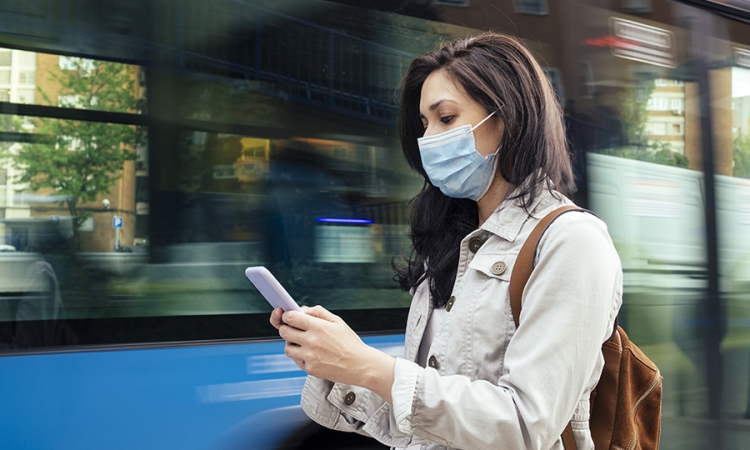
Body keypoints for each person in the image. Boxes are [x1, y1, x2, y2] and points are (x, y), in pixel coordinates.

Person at [270, 33, 622, 450]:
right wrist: (338, 363)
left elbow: (526, 426)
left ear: (508, 118)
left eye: (447, 118)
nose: (429, 139)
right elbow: (427, 424)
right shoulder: (450, 245)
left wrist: (371, 367)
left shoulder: (572, 242)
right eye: (424, 124)